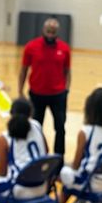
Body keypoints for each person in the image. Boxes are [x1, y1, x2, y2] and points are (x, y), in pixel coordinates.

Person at [18, 17, 71, 155]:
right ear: (43, 30)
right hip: (37, 94)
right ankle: (38, 154)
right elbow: (23, 69)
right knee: (36, 127)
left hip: (58, 95)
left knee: (60, 127)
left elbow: (67, 71)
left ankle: (59, 157)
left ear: (57, 32)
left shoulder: (65, 48)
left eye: (53, 32)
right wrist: (20, 91)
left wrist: (67, 89)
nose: (50, 34)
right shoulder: (31, 46)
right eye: (48, 31)